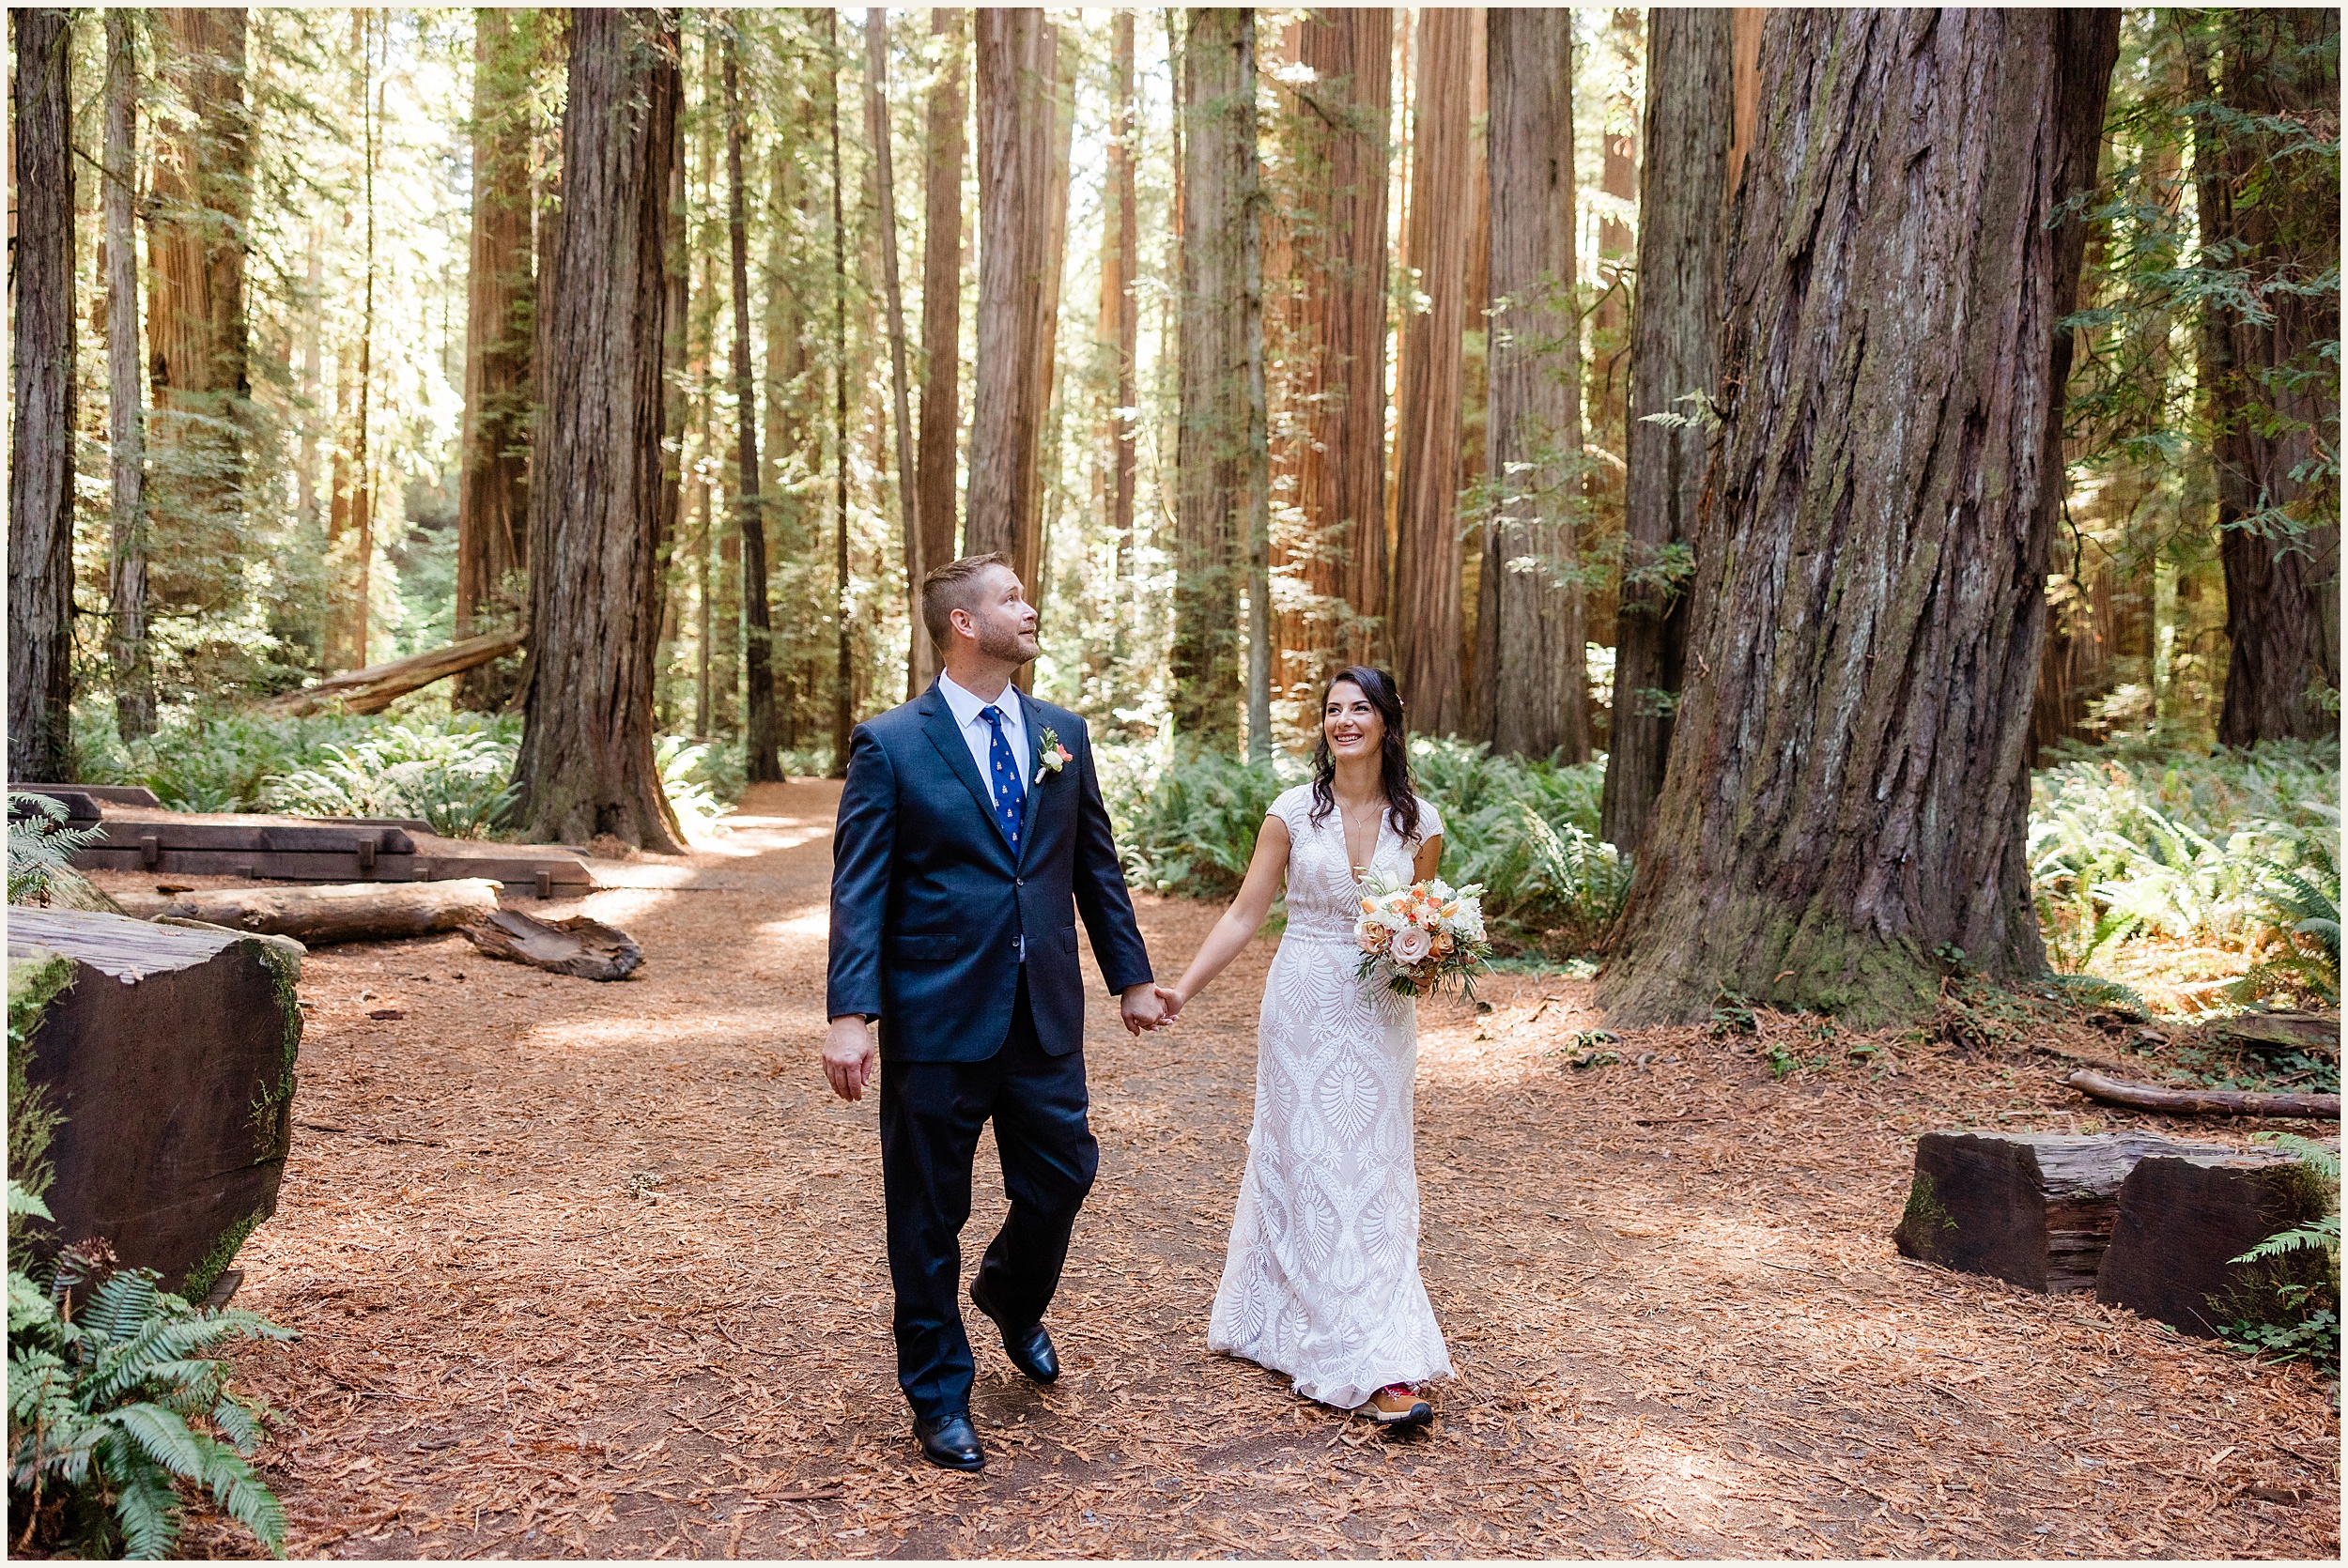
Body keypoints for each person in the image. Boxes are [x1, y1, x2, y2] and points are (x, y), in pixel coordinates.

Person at [823, 553, 1167, 1472]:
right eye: (1010, 597)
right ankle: (937, 1391)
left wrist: (1129, 975)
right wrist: (850, 1012)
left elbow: (1092, 862)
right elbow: (860, 888)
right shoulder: (891, 743)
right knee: (927, 1212)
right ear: (963, 624)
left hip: (1043, 1011)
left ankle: (1012, 1295)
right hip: (935, 1010)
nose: (1030, 606)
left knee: (1064, 1171)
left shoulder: (1061, 733)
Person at [1159, 667, 1452, 1427]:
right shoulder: (1291, 814)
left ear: (1387, 721)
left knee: (1374, 1168)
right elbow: (1244, 914)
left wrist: (1427, 953)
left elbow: (1422, 926)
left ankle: (1368, 1332)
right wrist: (1182, 990)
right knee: (1308, 1159)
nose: (1344, 721)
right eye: (1332, 709)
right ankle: (1364, 1359)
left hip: (1379, 1012)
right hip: (1301, 1003)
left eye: (1360, 708)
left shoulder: (1422, 826)